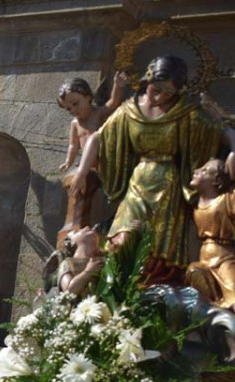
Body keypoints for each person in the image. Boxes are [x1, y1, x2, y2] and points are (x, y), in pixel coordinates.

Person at [73, 55, 235, 284]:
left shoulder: (185, 113)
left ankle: (151, 293)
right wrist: (81, 172)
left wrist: (233, 148)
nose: (160, 96)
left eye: (168, 93)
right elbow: (98, 138)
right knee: (122, 236)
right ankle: (118, 287)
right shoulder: (129, 111)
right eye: (157, 89)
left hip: (169, 187)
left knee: (159, 246)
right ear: (147, 80)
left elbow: (221, 132)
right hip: (139, 182)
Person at [186, 158, 235, 310]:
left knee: (233, 295)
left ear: (216, 181)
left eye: (205, 170)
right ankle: (213, 307)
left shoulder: (227, 199)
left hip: (224, 258)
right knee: (193, 271)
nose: (196, 171)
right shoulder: (194, 203)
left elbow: (232, 162)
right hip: (204, 258)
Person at [57, 73, 127, 173]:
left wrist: (117, 85)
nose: (73, 110)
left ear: (88, 97)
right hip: (88, 165)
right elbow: (73, 145)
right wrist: (68, 161)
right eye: (68, 108)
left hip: (106, 161)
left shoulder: (97, 114)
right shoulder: (75, 124)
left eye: (75, 104)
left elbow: (113, 102)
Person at [58, 226, 105, 296]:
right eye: (76, 232)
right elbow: (68, 292)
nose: (87, 227)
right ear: (72, 242)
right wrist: (88, 271)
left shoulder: (102, 260)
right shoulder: (67, 264)